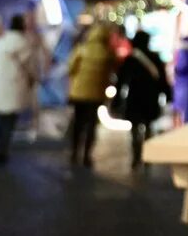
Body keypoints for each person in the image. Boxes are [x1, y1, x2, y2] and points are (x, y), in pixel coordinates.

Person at [0, 14, 46, 165]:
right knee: (9, 120)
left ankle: (0, 146)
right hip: (15, 86)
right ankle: (3, 149)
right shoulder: (23, 43)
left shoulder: (1, 42)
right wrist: (37, 78)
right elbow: (31, 67)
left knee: (1, 118)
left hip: (0, 86)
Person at [115, 29, 172, 169]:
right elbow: (162, 80)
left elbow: (122, 80)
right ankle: (146, 156)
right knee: (148, 127)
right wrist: (168, 95)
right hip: (150, 98)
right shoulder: (155, 58)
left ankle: (136, 156)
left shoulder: (131, 59)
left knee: (135, 128)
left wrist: (117, 99)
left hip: (134, 98)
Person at [65, 21, 116, 168]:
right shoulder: (108, 53)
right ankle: (87, 154)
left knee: (78, 123)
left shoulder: (81, 50)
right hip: (97, 94)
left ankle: (75, 152)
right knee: (92, 124)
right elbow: (110, 73)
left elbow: (71, 68)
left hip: (79, 93)